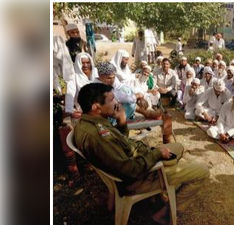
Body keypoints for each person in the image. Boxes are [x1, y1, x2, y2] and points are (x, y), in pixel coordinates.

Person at [74, 83, 210, 224]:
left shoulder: (91, 124)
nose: (117, 103)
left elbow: (119, 144)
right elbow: (130, 170)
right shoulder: (98, 135)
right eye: (112, 100)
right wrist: (156, 154)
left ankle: (166, 185)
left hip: (138, 161)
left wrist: (122, 123)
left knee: (178, 147)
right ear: (96, 107)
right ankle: (167, 212)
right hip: (139, 178)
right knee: (203, 172)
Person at [65, 52, 98, 118]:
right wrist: (70, 110)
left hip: (98, 110)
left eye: (88, 62)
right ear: (78, 64)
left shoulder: (96, 73)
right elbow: (70, 93)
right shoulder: (74, 76)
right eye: (82, 63)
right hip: (82, 111)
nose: (85, 65)